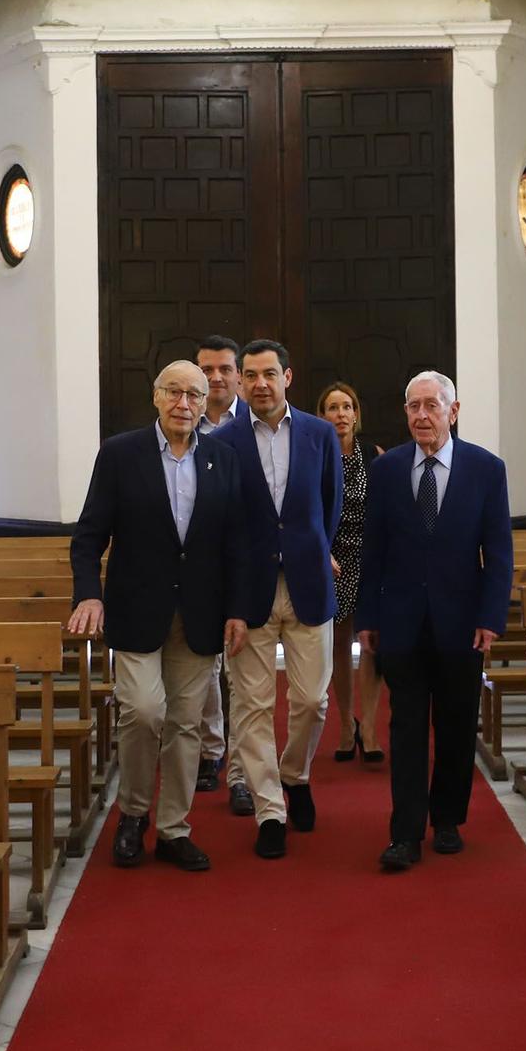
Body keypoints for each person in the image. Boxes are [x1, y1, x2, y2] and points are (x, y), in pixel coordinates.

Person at [68, 360, 249, 872]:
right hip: (135, 610)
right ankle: (132, 815)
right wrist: (88, 595)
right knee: (145, 713)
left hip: (199, 615)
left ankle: (173, 829)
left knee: (187, 724)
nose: (184, 403)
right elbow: (88, 536)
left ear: (205, 401)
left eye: (194, 394)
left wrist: (237, 609)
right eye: (174, 392)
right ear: (156, 397)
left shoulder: (222, 458)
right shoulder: (121, 454)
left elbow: (235, 543)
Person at [356, 371, 512, 871]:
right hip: (401, 621)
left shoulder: (486, 469)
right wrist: (368, 617)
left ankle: (447, 820)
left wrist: (490, 616)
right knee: (405, 728)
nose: (422, 415)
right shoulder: (387, 470)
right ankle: (404, 833)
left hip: (462, 621)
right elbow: (372, 551)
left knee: (456, 723)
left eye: (432, 406)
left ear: (454, 410)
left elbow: (499, 553)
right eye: (413, 406)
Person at [213, 339, 342, 859]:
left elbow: (328, 506)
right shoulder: (224, 442)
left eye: (270, 373)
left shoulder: (320, 433)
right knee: (251, 706)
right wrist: (231, 600)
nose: (260, 383)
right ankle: (271, 809)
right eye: (251, 375)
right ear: (241, 383)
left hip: (309, 583)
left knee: (313, 700)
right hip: (249, 592)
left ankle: (296, 773)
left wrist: (311, 550)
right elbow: (221, 521)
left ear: (288, 377)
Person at [193, 334, 249, 799]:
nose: (215, 377)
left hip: (243, 560)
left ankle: (245, 766)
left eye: (224, 369)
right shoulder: (181, 421)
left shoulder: (255, 423)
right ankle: (212, 751)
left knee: (243, 671)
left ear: (238, 375)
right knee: (206, 666)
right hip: (197, 566)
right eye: (206, 370)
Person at [318, 381, 384, 764]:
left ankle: (370, 726)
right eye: (332, 407)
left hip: (370, 558)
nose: (340, 414)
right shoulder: (316, 454)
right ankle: (345, 725)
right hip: (333, 562)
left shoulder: (374, 456)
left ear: (356, 414)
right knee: (339, 645)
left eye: (347, 407)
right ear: (322, 415)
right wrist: (321, 551)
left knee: (371, 641)